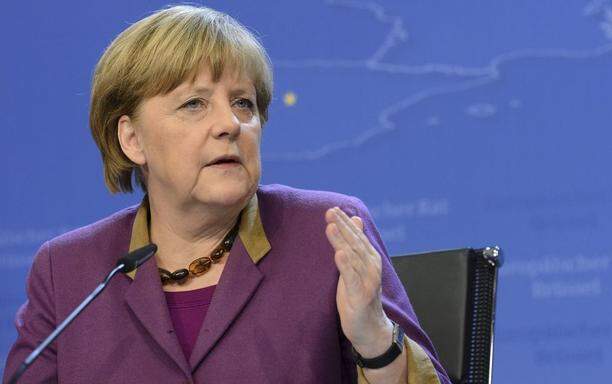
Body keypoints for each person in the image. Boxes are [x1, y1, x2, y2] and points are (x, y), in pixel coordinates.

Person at [3, 5, 450, 384]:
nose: (230, 124)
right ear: (132, 139)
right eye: (194, 103)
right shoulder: (68, 272)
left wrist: (374, 338)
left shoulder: (327, 234)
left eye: (244, 104)